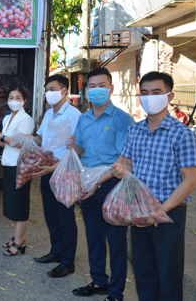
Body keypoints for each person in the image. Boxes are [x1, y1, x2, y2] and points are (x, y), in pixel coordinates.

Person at [112, 72, 196, 301]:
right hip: (138, 209)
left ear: (169, 96)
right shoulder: (135, 130)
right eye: (144, 93)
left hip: (168, 213)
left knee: (168, 275)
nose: (150, 98)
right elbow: (126, 164)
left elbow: (190, 181)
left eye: (156, 92)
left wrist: (158, 212)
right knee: (143, 272)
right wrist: (120, 170)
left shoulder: (182, 135)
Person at [70, 68, 134, 301]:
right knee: (94, 236)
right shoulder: (83, 118)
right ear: (86, 91)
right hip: (88, 185)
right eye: (92, 86)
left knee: (116, 241)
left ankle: (116, 293)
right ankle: (99, 281)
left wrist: (97, 183)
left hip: (111, 185)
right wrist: (68, 154)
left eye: (102, 85)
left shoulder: (122, 119)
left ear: (111, 88)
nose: (97, 90)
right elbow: (78, 149)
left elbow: (123, 159)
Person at [30, 75, 81, 278]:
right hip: (46, 169)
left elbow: (77, 148)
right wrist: (28, 139)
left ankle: (68, 262)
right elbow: (41, 138)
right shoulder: (49, 113)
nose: (48, 93)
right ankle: (56, 252)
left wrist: (55, 167)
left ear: (63, 91)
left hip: (64, 171)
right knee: (51, 216)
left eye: (52, 89)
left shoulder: (75, 115)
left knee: (65, 218)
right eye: (46, 89)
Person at [0, 86, 34, 256]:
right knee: (12, 203)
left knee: (19, 204)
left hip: (21, 166)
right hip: (9, 163)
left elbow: (22, 144)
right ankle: (16, 237)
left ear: (24, 101)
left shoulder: (26, 119)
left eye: (18, 97)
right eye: (11, 97)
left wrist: (1, 137)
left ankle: (20, 242)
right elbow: (6, 143)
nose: (14, 101)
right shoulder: (6, 118)